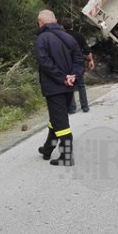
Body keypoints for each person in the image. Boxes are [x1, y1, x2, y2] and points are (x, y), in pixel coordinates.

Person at [35, 10, 81, 166]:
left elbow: (45, 62)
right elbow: (78, 59)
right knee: (57, 118)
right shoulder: (69, 37)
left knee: (61, 123)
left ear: (41, 22)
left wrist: (61, 78)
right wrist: (73, 76)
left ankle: (66, 156)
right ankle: (47, 149)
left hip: (54, 87)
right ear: (55, 21)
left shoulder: (42, 39)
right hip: (69, 86)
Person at [61, 19, 94, 113]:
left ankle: (71, 108)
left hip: (66, 64)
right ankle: (85, 106)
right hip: (78, 63)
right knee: (81, 85)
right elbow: (87, 50)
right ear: (72, 26)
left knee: (69, 85)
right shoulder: (79, 36)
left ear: (62, 27)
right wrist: (90, 60)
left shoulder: (61, 37)